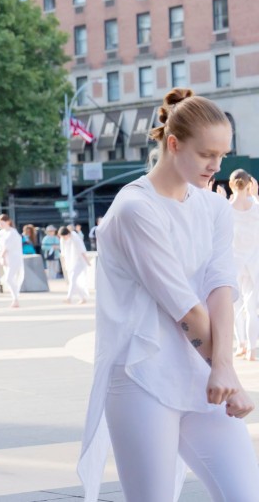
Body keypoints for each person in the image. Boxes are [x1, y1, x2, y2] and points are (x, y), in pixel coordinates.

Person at [78, 88, 259, 502]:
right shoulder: (134, 210)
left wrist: (225, 369)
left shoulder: (214, 208)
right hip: (141, 375)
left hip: (203, 374)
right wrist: (226, 373)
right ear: (173, 144)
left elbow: (220, 287)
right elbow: (183, 306)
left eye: (223, 154)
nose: (217, 166)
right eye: (206, 154)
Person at [229, 169, 259, 361]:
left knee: (235, 307)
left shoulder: (226, 207)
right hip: (253, 264)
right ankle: (252, 348)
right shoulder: (256, 208)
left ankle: (241, 344)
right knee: (252, 308)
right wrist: (255, 195)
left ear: (232, 184)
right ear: (249, 184)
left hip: (234, 263)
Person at [0, 214, 24, 308]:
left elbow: (7, 247)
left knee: (9, 278)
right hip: (6, 258)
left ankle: (15, 298)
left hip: (14, 258)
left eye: (2, 223)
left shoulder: (13, 233)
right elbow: (0, 247)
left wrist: (1, 257)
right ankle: (15, 298)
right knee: (9, 279)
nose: (0, 225)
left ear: (8, 222)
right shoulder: (0, 233)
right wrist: (2, 257)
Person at [58, 226, 90, 304]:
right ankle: (82, 298)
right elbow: (63, 253)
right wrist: (65, 263)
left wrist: (87, 261)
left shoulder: (75, 238)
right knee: (73, 281)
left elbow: (82, 250)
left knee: (73, 279)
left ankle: (69, 298)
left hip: (79, 261)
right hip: (70, 262)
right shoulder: (63, 239)